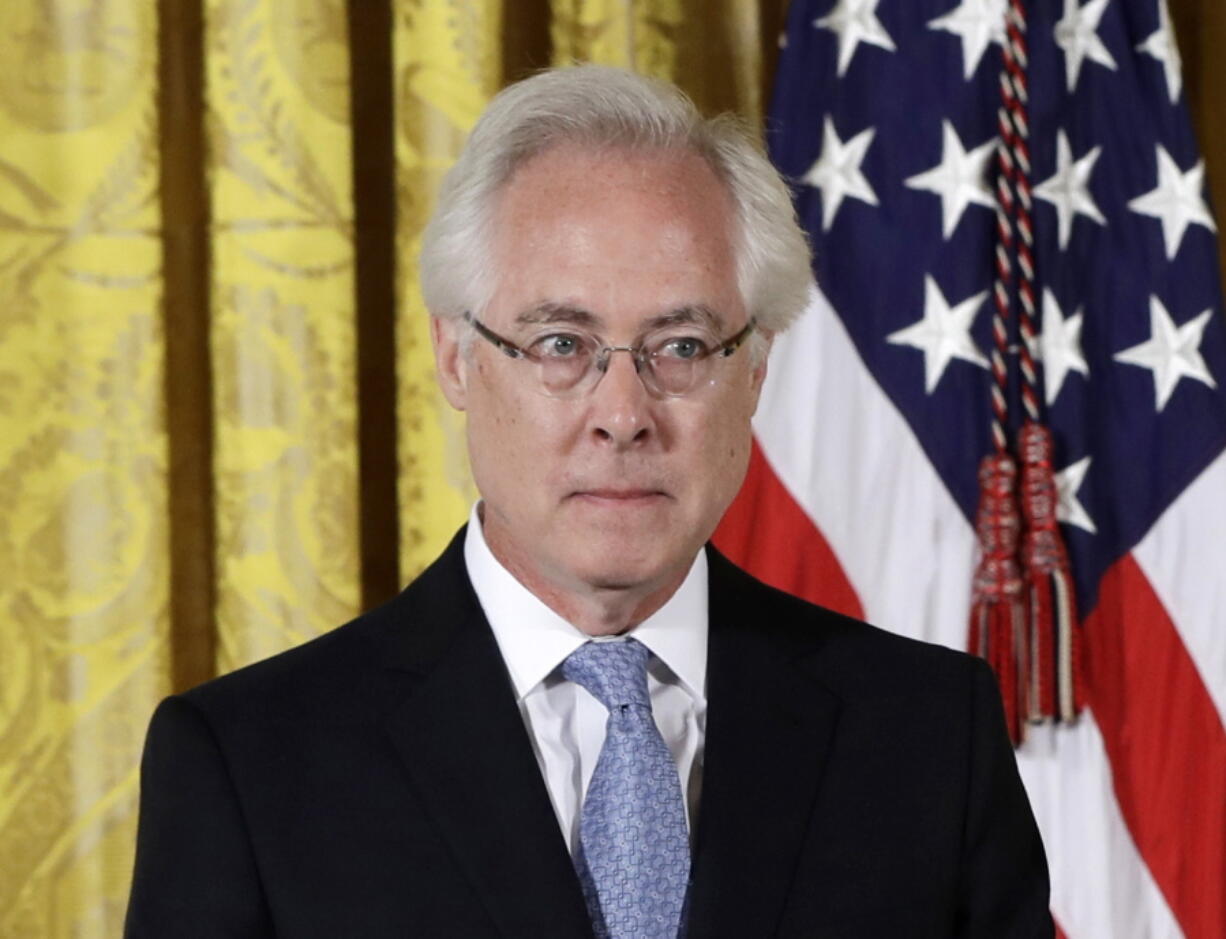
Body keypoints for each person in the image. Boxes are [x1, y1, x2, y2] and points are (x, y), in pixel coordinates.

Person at [126, 66, 1052, 938]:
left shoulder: (930, 738)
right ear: (457, 356)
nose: (623, 414)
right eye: (562, 343)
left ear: (757, 366)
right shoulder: (248, 766)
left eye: (682, 346)